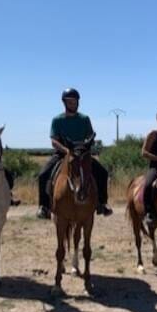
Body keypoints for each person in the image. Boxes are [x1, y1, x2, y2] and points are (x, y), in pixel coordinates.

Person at [36, 88, 113, 219]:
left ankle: (102, 203)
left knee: (102, 173)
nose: (73, 104)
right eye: (70, 102)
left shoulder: (84, 119)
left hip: (82, 154)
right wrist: (66, 150)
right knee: (43, 174)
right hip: (62, 153)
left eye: (75, 101)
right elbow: (54, 141)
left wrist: (87, 145)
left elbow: (90, 137)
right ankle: (44, 207)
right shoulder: (57, 120)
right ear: (64, 103)